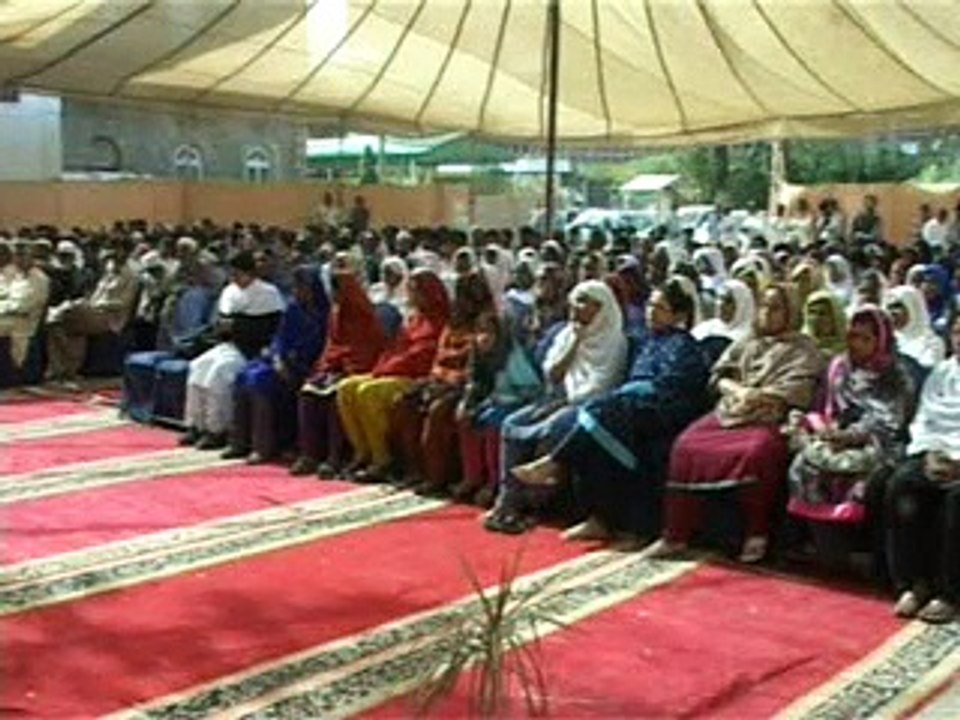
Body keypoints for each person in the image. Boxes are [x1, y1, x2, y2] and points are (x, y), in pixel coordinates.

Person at [512, 278, 709, 542]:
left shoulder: (686, 347)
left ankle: (555, 463)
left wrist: (634, 392)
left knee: (598, 412)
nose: (651, 312)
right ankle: (598, 518)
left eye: (660, 308)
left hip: (663, 409)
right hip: (633, 404)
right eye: (650, 305)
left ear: (679, 315)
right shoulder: (648, 341)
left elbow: (674, 389)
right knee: (594, 427)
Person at [647, 283, 825, 563]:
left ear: (791, 312)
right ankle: (675, 534)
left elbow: (798, 390)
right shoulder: (748, 341)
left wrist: (758, 396)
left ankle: (756, 533)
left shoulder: (804, 349)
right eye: (763, 306)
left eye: (775, 308)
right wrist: (738, 391)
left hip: (769, 416)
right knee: (685, 445)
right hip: (731, 410)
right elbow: (719, 376)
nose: (766, 313)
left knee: (756, 453)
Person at [484, 280, 628, 534]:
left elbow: (600, 386)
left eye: (584, 302)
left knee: (554, 428)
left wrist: (564, 403)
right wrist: (575, 342)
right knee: (512, 423)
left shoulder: (615, 341)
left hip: (589, 406)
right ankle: (508, 500)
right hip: (556, 397)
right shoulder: (567, 334)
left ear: (601, 307)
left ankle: (534, 506)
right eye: (575, 300)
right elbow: (553, 374)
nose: (576, 306)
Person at [788, 306, 914, 526]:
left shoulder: (896, 374)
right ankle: (819, 540)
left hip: (879, 441)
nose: (856, 344)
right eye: (853, 336)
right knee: (804, 464)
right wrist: (822, 429)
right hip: (836, 434)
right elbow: (823, 406)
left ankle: (848, 540)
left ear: (881, 340)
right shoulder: (839, 367)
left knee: (862, 479)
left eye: (865, 339)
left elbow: (891, 421)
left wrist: (850, 436)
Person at [336, 269, 449, 482]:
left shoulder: (441, 320)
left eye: (416, 290)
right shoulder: (414, 319)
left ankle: (383, 459)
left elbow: (423, 355)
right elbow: (395, 348)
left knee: (368, 392)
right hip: (394, 370)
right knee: (346, 388)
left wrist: (389, 369)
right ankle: (364, 452)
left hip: (415, 376)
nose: (412, 295)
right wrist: (381, 368)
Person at [885, 313, 960, 624]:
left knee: (956, 500)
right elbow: (925, 419)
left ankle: (949, 593)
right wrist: (930, 453)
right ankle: (912, 584)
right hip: (935, 452)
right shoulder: (942, 372)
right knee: (902, 484)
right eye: (957, 332)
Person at [392, 272, 495, 492]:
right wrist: (435, 379)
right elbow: (441, 356)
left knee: (438, 410)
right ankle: (414, 470)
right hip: (442, 380)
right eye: (462, 294)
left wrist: (450, 381)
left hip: (474, 386)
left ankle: (436, 477)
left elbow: (475, 365)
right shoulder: (454, 322)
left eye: (470, 295)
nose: (465, 301)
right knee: (405, 401)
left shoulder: (488, 322)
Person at [224, 266, 329, 463]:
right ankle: (240, 441)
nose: (298, 291)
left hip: (308, 366)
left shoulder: (325, 314)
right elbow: (279, 339)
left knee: (260, 379)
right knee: (244, 374)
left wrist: (297, 364)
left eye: (303, 287)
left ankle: (263, 447)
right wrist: (278, 359)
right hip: (282, 362)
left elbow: (322, 346)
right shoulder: (293, 309)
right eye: (296, 287)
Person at [181, 252, 284, 449]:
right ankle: (196, 425)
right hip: (228, 344)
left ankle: (217, 430)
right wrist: (224, 328)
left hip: (251, 348)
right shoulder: (230, 291)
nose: (234, 278)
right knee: (197, 367)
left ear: (250, 273)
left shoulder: (268, 293)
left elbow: (267, 329)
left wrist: (236, 326)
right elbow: (222, 321)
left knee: (218, 374)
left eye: (238, 274)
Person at [290, 269, 387, 476]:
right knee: (308, 393)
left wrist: (344, 367)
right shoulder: (335, 314)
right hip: (335, 367)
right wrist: (327, 367)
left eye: (337, 290)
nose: (334, 295)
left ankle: (335, 457)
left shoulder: (364, 315)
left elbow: (368, 349)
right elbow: (332, 346)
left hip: (359, 368)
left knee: (336, 395)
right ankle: (310, 454)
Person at [455, 309, 543, 506]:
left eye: (489, 332)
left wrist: (498, 400)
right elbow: (474, 382)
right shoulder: (477, 354)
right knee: (466, 419)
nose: (483, 337)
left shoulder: (511, 355)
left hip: (519, 401)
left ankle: (494, 483)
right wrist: (467, 403)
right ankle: (472, 477)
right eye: (480, 332)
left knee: (492, 423)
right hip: (493, 401)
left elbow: (530, 388)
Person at [45, 245, 138, 385]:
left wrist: (96, 304)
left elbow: (123, 303)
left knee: (69, 315)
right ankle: (60, 370)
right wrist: (86, 302)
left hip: (111, 317)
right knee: (56, 326)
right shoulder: (109, 269)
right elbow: (95, 294)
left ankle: (67, 370)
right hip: (93, 312)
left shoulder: (131, 276)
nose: (114, 255)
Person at [0, 242, 50, 370]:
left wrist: (4, 307)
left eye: (23, 255)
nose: (19, 259)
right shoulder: (11, 274)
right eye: (17, 255)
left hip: (24, 322)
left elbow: (25, 305)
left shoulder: (40, 278)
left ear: (31, 257)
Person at [886, 285, 946, 368]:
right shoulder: (887, 340)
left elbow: (927, 371)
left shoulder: (932, 343)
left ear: (913, 307)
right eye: (889, 308)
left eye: (897, 306)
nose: (892, 312)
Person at [692, 279, 755, 344]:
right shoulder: (706, 327)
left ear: (741, 305)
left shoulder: (747, 338)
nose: (721, 304)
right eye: (721, 298)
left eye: (728, 301)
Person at [801, 290, 848, 357]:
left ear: (834, 317)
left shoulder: (850, 350)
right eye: (812, 312)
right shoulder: (798, 347)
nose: (816, 318)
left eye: (822, 313)